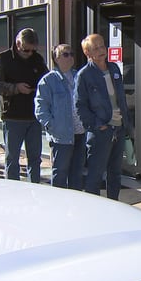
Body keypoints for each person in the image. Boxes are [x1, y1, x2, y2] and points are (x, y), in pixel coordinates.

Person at [0, 28, 48, 183]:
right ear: (18, 43)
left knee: (35, 158)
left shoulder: (37, 59)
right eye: (26, 50)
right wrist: (15, 88)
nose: (29, 53)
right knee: (12, 158)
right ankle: (12, 189)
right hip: (13, 116)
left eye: (32, 50)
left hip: (33, 116)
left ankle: (35, 186)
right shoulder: (3, 59)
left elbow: (46, 81)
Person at [75, 34, 132, 199]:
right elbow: (80, 106)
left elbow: (120, 98)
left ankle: (114, 205)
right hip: (101, 132)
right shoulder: (84, 75)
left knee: (115, 173)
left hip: (118, 129)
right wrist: (97, 124)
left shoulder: (114, 68)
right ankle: (94, 212)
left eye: (102, 46)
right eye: (96, 48)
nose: (101, 50)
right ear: (88, 53)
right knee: (95, 175)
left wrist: (126, 124)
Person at [35, 44, 86, 190]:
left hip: (80, 133)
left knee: (77, 173)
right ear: (56, 58)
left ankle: (75, 206)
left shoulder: (79, 76)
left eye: (71, 54)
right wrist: (52, 126)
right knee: (60, 172)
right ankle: (58, 206)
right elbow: (40, 108)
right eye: (65, 54)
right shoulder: (48, 80)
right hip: (61, 135)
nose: (70, 57)